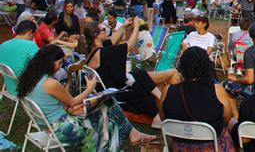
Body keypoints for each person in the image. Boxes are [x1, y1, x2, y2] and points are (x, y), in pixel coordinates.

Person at [16, 44, 156, 149]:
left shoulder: (31, 77)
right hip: (63, 128)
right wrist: (89, 88)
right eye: (59, 63)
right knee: (107, 110)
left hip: (49, 123)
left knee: (107, 104)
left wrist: (70, 80)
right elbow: (72, 101)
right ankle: (119, 141)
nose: (59, 68)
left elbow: (58, 102)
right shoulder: (50, 83)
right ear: (49, 62)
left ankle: (131, 134)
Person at [84, 18, 178, 128]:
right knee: (137, 86)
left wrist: (123, 26)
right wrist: (137, 26)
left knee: (141, 74)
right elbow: (130, 45)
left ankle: (161, 97)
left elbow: (112, 40)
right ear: (96, 35)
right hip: (115, 92)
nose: (106, 30)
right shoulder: (105, 52)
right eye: (103, 29)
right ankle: (157, 115)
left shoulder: (92, 51)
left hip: (106, 87)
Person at [161, 47, 234, 151]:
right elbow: (226, 118)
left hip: (180, 146)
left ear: (182, 67)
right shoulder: (217, 90)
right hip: (213, 147)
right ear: (206, 66)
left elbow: (164, 118)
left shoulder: (167, 90)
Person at [0, 20, 38, 96]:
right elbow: (42, 63)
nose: (33, 38)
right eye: (33, 35)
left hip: (10, 87)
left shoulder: (3, 45)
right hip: (26, 88)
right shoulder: (30, 45)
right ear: (29, 32)